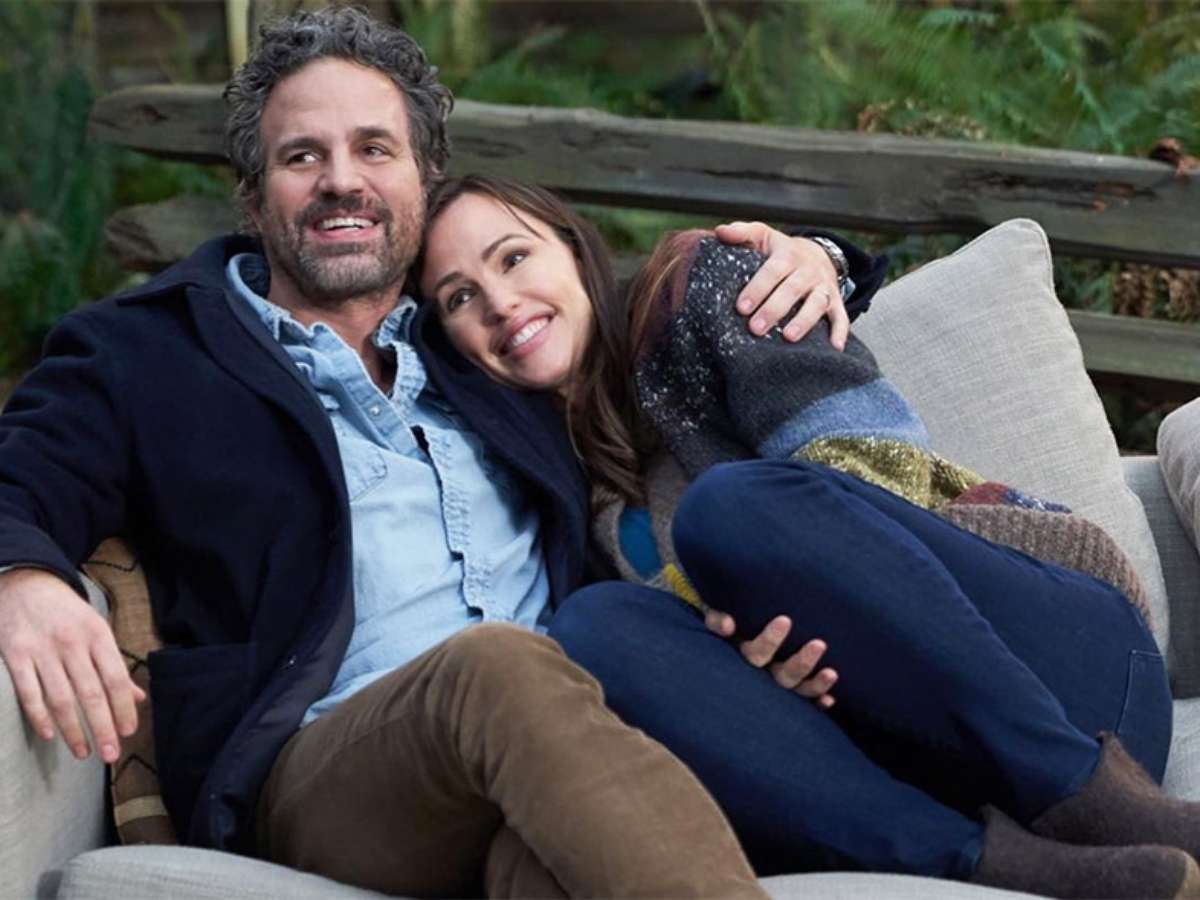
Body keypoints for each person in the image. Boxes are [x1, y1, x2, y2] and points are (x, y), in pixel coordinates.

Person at [0, 7, 872, 898]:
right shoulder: (150, 351)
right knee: (499, 667)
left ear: (424, 177)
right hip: (325, 770)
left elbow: (645, 311)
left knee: (547, 868)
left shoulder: (484, 339)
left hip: (555, 755)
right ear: (254, 198)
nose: (342, 181)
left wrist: (818, 257)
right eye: (302, 157)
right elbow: (17, 476)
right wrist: (20, 575)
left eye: (374, 149)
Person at [418, 173, 1200, 899]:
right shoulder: (554, 493)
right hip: (914, 763)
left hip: (1067, 681)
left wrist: (752, 613)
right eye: (459, 297)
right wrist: (740, 672)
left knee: (730, 511)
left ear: (572, 246)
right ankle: (989, 864)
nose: (500, 302)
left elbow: (873, 476)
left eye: (514, 257)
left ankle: (1087, 798)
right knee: (593, 630)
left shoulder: (700, 286)